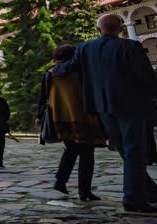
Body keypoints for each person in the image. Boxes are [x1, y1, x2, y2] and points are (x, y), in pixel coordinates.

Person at [53, 14, 157, 213]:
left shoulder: (85, 48)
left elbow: (66, 68)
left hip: (102, 108)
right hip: (130, 106)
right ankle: (133, 199)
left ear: (99, 30)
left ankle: (148, 190)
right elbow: (147, 78)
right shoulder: (130, 47)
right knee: (134, 151)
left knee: (125, 150)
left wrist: (53, 71)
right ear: (121, 29)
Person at [37, 44, 105, 201]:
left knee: (71, 150)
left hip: (60, 118)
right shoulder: (80, 70)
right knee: (87, 154)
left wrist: (40, 116)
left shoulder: (50, 73)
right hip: (82, 117)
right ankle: (84, 190)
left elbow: (43, 96)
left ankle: (60, 181)